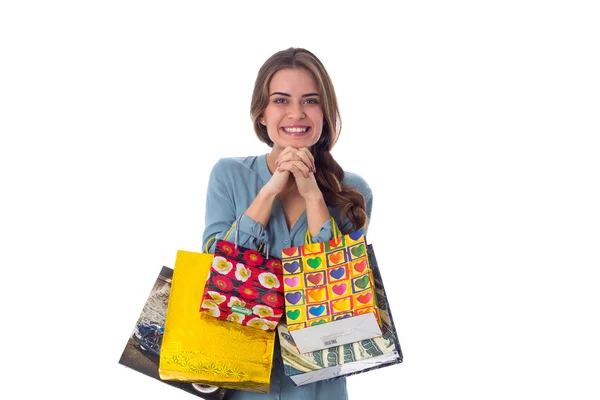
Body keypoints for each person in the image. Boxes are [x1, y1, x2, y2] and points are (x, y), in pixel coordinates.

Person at [202, 47, 373, 400]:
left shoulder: (353, 193)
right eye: (281, 100)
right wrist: (268, 193)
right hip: (241, 378)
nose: (296, 113)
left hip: (318, 385)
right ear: (261, 114)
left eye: (310, 101)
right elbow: (216, 270)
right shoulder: (228, 175)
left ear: (325, 113)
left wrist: (313, 196)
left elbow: (336, 297)